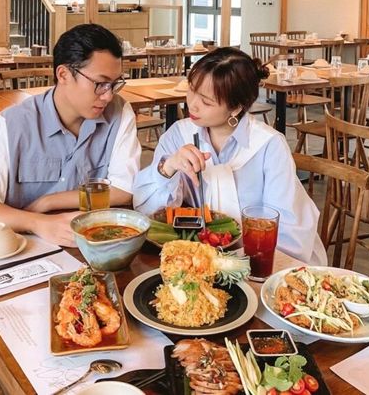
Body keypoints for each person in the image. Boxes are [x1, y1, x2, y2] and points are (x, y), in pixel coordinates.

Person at [133, 47, 326, 264]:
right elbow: (147, 213)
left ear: (235, 108)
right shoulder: (179, 135)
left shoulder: (268, 146)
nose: (192, 104)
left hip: (258, 260)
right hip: (197, 258)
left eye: (206, 102)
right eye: (191, 90)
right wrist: (168, 167)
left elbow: (287, 232)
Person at [0, 24, 141, 246]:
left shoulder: (119, 113)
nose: (108, 96)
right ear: (63, 74)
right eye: (100, 84)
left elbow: (125, 189)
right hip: (22, 246)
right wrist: (38, 223)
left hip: (92, 245)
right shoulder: (12, 124)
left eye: (114, 84)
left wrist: (48, 202)